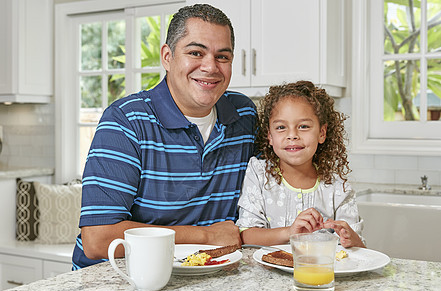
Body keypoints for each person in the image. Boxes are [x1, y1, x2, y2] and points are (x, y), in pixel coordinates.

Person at [72, 4, 257, 269]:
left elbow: (268, 191)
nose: (210, 67)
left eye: (222, 57)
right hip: (117, 280)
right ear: (167, 57)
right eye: (196, 52)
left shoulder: (244, 115)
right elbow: (98, 239)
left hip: (200, 276)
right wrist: (204, 236)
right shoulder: (126, 121)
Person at [236, 81, 365, 248]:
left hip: (318, 273)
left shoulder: (338, 189)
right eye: (281, 127)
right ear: (270, 136)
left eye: (303, 126)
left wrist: (350, 238)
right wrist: (290, 232)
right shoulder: (259, 173)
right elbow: (247, 235)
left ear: (321, 133)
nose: (292, 135)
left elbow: (360, 250)